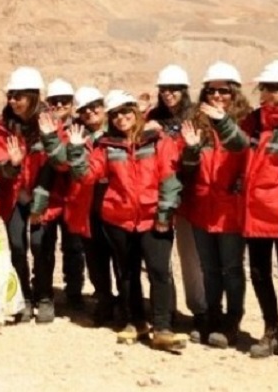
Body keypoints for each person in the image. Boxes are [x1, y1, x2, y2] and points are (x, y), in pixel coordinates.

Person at [203, 59, 278, 368]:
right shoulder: (258, 120)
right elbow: (238, 145)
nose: (263, 93)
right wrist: (222, 123)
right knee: (258, 273)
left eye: (269, 88)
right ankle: (272, 330)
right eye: (263, 88)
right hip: (255, 213)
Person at [67, 90, 186, 352]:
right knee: (127, 272)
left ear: (136, 112)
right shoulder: (108, 145)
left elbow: (169, 179)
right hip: (118, 219)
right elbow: (86, 176)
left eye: (126, 112)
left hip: (153, 218)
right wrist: (76, 150)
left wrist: (164, 214)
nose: (121, 118)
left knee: (158, 271)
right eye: (116, 114)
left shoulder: (157, 140)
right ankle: (136, 321)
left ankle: (163, 326)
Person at [178, 62, 251, 348]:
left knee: (231, 268)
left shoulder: (245, 123)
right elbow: (187, 167)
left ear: (235, 93)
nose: (218, 95)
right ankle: (212, 315)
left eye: (224, 90)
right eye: (212, 90)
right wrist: (191, 150)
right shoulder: (197, 123)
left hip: (229, 209)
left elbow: (245, 150)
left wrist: (223, 121)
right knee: (208, 268)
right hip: (202, 206)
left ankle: (232, 320)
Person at [40, 86, 120, 326]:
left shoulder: (119, 130)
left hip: (116, 204)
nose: (90, 112)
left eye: (95, 106)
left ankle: (126, 306)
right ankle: (104, 303)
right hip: (88, 205)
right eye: (84, 109)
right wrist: (51, 137)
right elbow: (62, 163)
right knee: (95, 259)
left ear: (104, 107)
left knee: (121, 258)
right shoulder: (78, 133)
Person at [147, 64, 206, 339]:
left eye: (173, 90)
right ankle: (165, 308)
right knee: (159, 257)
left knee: (189, 256)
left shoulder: (195, 119)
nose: (168, 94)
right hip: (156, 197)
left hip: (187, 197)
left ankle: (199, 310)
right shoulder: (153, 117)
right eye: (164, 90)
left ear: (184, 91)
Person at [0, 66, 49, 323]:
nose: (13, 101)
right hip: (13, 195)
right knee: (17, 245)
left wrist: (41, 198)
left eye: (19, 96)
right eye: (10, 96)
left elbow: (56, 164)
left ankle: (44, 296)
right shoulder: (2, 126)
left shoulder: (48, 124)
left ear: (33, 97)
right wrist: (12, 165)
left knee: (40, 245)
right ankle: (22, 297)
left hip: (43, 194)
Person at [44, 78, 87, 311]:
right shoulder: (41, 127)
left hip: (73, 198)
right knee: (45, 247)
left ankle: (74, 292)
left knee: (73, 248)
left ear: (72, 104)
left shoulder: (80, 129)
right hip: (48, 197)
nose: (59, 105)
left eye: (64, 101)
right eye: (54, 101)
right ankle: (44, 293)